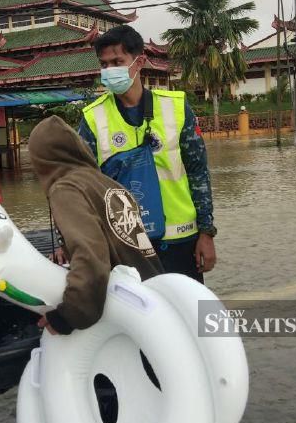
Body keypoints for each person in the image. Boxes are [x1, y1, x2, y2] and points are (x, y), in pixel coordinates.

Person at [75, 24, 217, 283]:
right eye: (104, 64)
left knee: (188, 317)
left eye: (117, 62)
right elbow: (80, 187)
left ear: (138, 62)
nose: (109, 71)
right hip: (126, 247)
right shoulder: (92, 118)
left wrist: (206, 232)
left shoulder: (176, 107)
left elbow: (198, 172)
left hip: (181, 239)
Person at [28, 115, 163, 335]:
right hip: (156, 296)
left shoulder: (65, 189)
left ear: (42, 161)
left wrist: (68, 316)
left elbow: (91, 256)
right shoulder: (106, 182)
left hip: (131, 315)